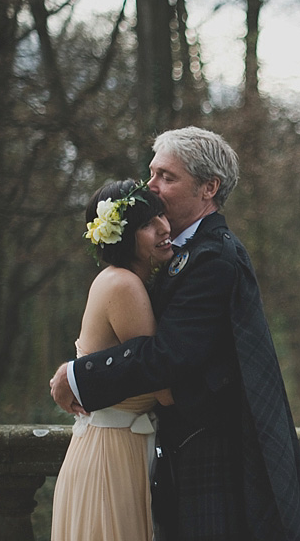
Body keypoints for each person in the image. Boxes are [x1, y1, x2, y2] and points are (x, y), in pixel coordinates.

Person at [50, 126, 300, 541]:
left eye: (167, 177)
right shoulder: (179, 255)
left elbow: (169, 356)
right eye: (152, 173)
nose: (152, 187)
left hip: (213, 453)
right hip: (176, 449)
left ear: (208, 188)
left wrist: (78, 376)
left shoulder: (214, 257)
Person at [52, 179, 175, 541]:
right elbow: (164, 388)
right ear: (121, 236)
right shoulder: (124, 285)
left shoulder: (120, 279)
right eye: (148, 224)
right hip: (111, 459)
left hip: (118, 448)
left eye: (161, 215)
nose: (165, 227)